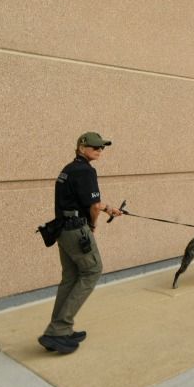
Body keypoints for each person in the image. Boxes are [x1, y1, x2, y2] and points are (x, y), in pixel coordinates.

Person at [38, 131, 122, 354]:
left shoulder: (68, 169)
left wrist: (108, 208)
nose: (99, 150)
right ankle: (58, 330)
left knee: (71, 277)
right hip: (77, 230)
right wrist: (93, 226)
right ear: (81, 148)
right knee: (93, 270)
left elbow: (90, 201)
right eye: (95, 147)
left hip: (62, 229)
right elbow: (93, 207)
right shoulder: (86, 171)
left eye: (102, 147)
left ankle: (60, 329)